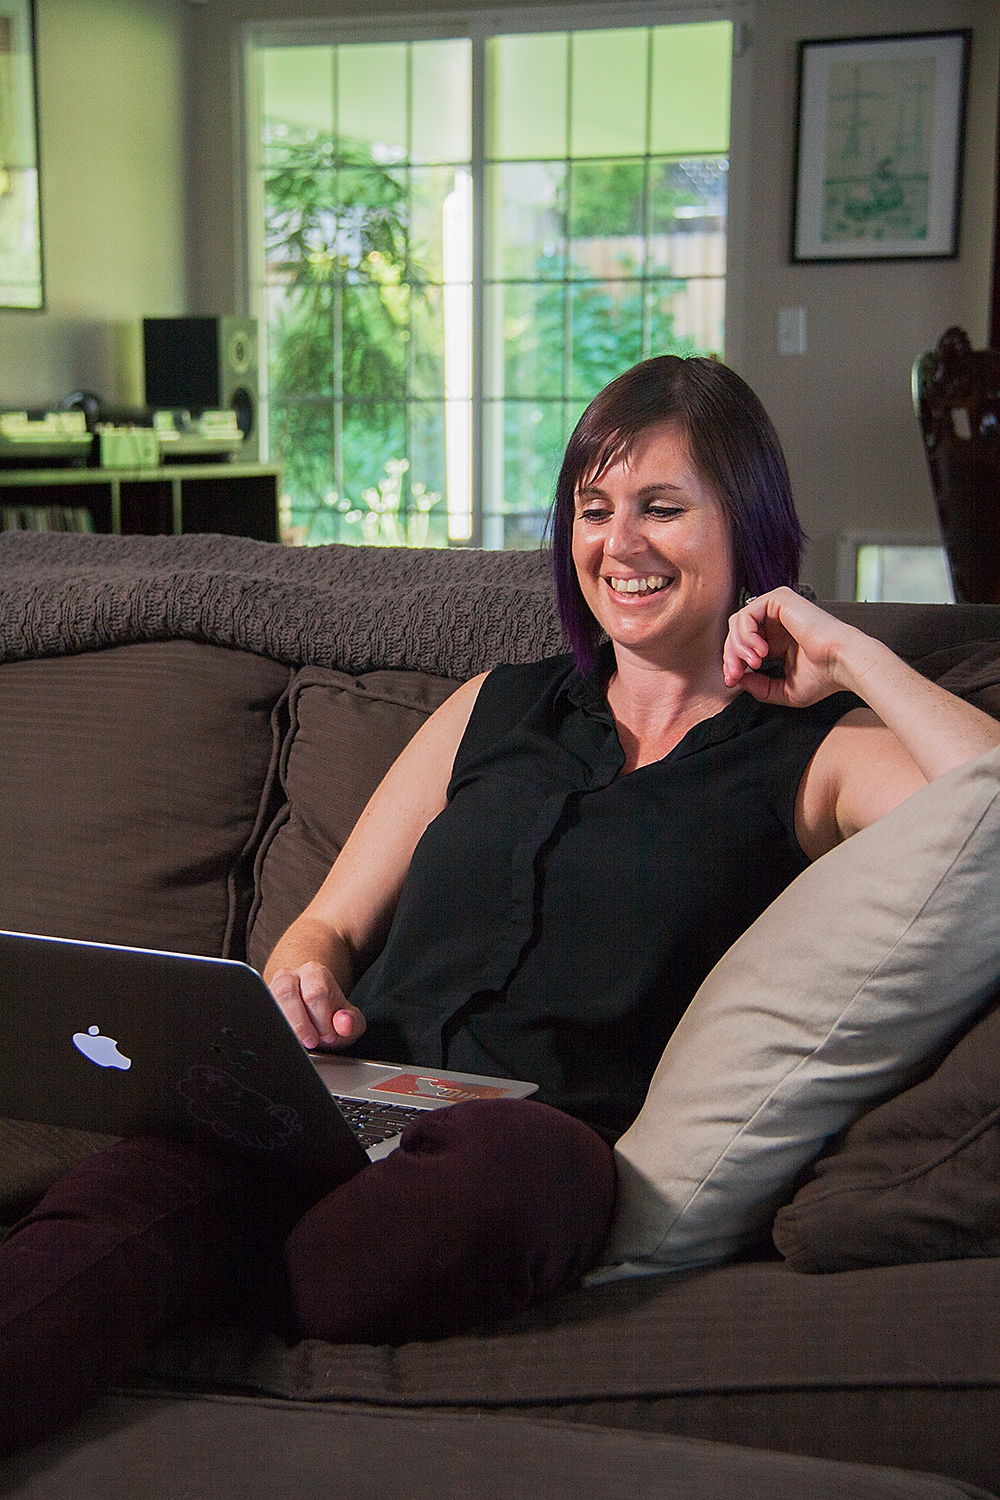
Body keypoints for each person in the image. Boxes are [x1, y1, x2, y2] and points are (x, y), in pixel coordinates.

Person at [3, 356, 998, 1453]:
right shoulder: (492, 704)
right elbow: (325, 926)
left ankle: (210, 1278)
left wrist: (849, 654)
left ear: (747, 526)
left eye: (663, 508)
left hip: (526, 1149)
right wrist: (304, 980)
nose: (619, 544)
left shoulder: (816, 755)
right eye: (593, 510)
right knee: (123, 1190)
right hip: (345, 1106)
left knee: (513, 1170)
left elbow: (991, 808)